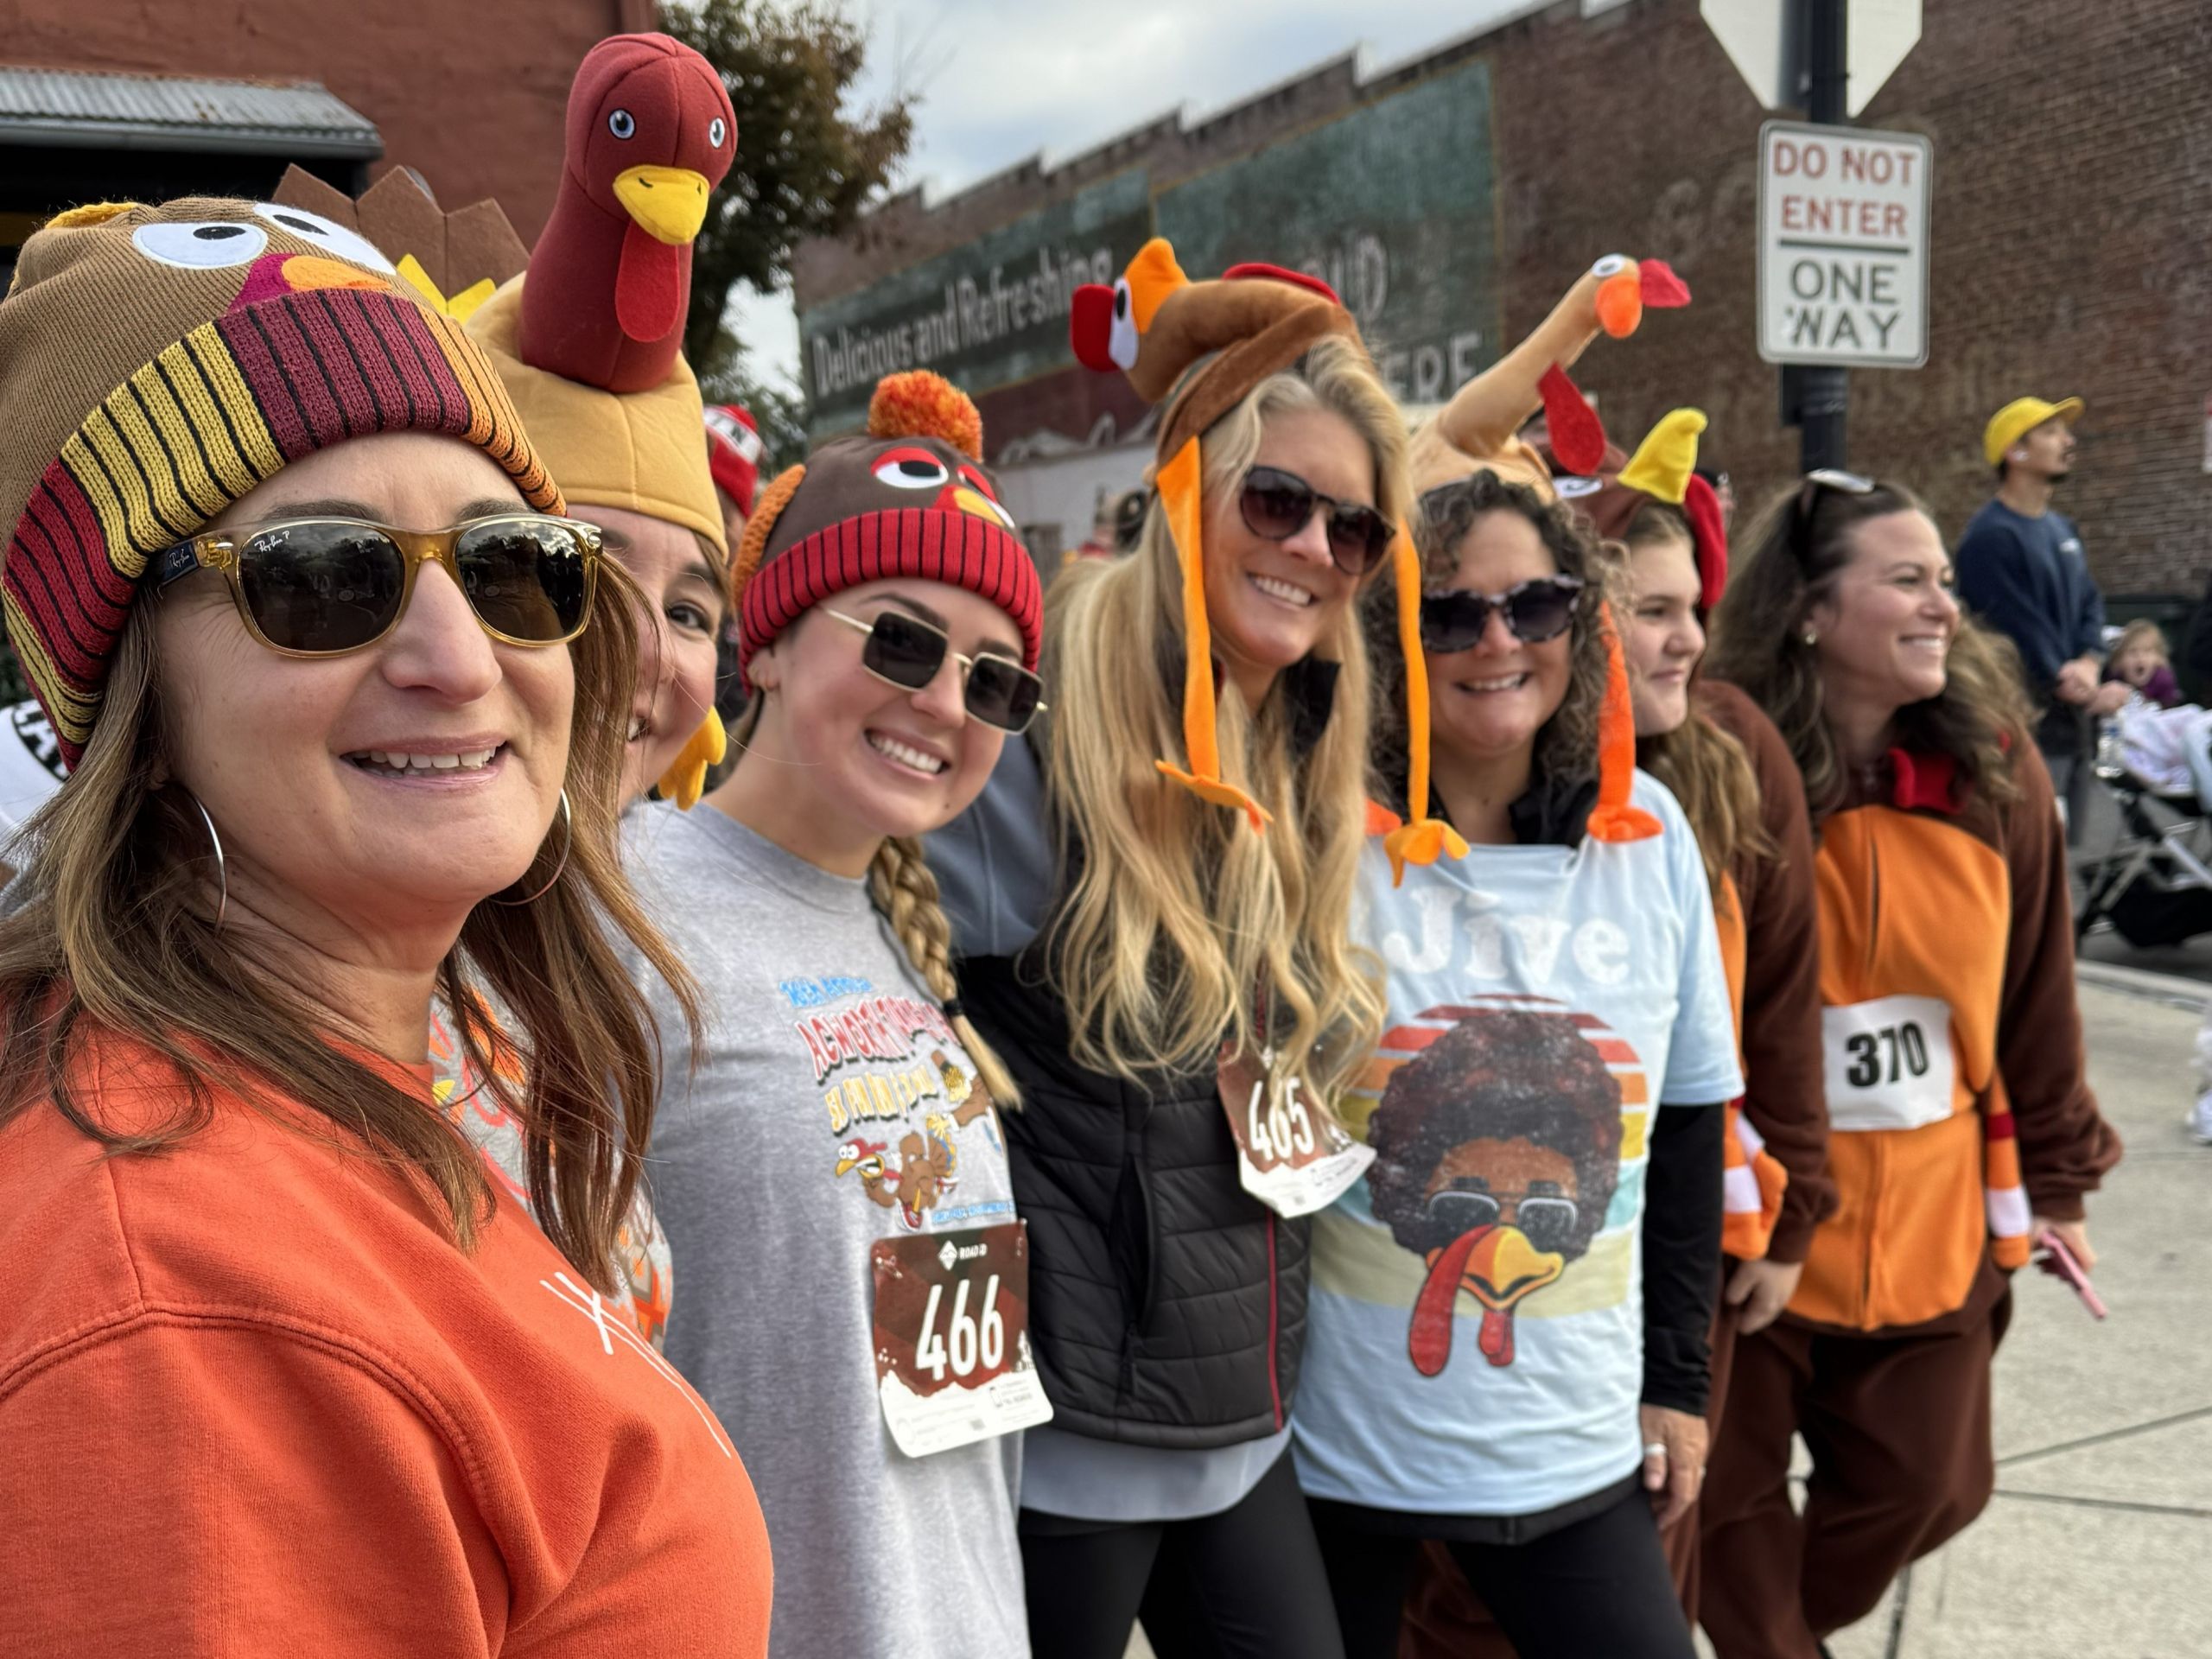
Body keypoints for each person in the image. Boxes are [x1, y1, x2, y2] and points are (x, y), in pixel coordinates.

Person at [0, 197, 770, 1650]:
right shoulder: (187, 1316)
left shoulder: (393, 1078)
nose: (458, 656)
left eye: (510, 565)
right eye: (324, 578)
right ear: (138, 711)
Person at [928, 239, 1425, 1659]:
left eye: (1354, 532)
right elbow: (871, 992)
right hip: (1053, 1438)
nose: (1315, 550)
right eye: (1279, 500)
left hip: (1237, 1417)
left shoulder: (1304, 747)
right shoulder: (1035, 734)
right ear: (1189, 486)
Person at [629, 368, 1051, 1659]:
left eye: (992, 683)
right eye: (902, 640)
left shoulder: (897, 944)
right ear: (766, 640)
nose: (941, 703)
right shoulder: (618, 902)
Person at [1295, 468, 1741, 1659]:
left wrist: (1680, 1387)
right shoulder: (1314, 836)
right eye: (1448, 614)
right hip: (1338, 1456)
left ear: (1575, 623)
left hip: (1580, 1452)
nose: (1497, 642)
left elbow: (1693, 1125)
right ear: (1391, 639)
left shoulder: (1651, 836)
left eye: (1532, 606)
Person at [1700, 473, 2122, 1658]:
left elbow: (2039, 991)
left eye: (1944, 581)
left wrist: (2059, 1182)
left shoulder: (1996, 773)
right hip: (1760, 1215)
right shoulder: (1728, 765)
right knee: (1725, 1513)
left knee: (1935, 1485)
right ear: (1809, 611)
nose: (1944, 604)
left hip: (1933, 1210)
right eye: (1907, 580)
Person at [1954, 396, 2126, 826]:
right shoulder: (1988, 538)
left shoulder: (2062, 529)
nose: (2068, 441)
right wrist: (2062, 677)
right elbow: (2012, 623)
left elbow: (2090, 601)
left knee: (2068, 854)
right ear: (2016, 451)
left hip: (2074, 726)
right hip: (2023, 729)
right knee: (2026, 849)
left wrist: (2089, 662)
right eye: (2051, 432)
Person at [2104, 618, 2182, 708]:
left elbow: (2169, 709)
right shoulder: (2114, 680)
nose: (2141, 658)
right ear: (2119, 659)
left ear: (2159, 658)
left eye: (2147, 651)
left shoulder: (2163, 681)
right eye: (2133, 652)